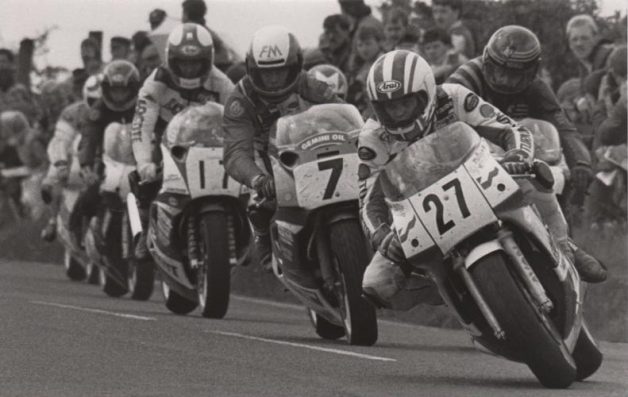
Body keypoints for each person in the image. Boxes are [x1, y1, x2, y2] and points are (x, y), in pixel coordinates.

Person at [358, 50, 606, 309]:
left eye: (405, 103)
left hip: (477, 178)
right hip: (418, 212)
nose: (398, 113)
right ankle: (447, 290)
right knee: (376, 284)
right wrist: (381, 235)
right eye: (389, 106)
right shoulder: (371, 138)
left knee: (534, 175)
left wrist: (517, 155)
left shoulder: (454, 97)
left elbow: (510, 128)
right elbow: (367, 201)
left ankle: (564, 247)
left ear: (426, 92)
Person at [446, 25, 603, 255]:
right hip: (473, 160)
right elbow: (443, 126)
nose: (506, 81)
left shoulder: (537, 87)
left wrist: (581, 163)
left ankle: (567, 249)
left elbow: (564, 127)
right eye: (500, 72)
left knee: (558, 184)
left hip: (520, 159)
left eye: (515, 75)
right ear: (487, 62)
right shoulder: (463, 80)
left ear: (531, 72)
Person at [222, 25, 343, 269]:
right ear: (253, 70)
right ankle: (264, 238)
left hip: (304, 142)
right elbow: (236, 151)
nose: (274, 79)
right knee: (261, 200)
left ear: (295, 67)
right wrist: (257, 179)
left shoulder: (308, 83)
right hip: (262, 150)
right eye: (266, 73)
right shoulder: (240, 99)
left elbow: (341, 111)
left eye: (281, 71)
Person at [131, 23, 234, 258]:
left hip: (209, 141)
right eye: (184, 62)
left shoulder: (222, 83)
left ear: (207, 60)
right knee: (144, 178)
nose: (189, 69)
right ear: (171, 60)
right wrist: (144, 162)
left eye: (196, 62)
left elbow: (242, 120)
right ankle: (145, 227)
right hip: (166, 141)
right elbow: (141, 126)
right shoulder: (155, 82)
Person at [69, 60, 140, 245]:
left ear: (132, 88)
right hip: (107, 160)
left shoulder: (144, 106)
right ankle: (76, 228)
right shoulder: (98, 109)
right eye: (115, 90)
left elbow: (158, 132)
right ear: (106, 89)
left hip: (140, 160)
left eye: (123, 90)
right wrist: (86, 167)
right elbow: (88, 139)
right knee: (91, 192)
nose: (119, 95)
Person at [40, 75, 102, 241]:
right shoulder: (72, 113)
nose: (102, 105)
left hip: (111, 158)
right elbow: (60, 141)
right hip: (79, 156)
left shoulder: (128, 109)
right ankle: (53, 220)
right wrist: (60, 164)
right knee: (51, 180)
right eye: (95, 100)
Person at [181, 0, 241, 72]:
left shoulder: (195, 33)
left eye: (183, 13)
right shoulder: (206, 31)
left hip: (217, 69)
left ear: (186, 14)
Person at [0, 48, 39, 124]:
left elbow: (35, 115)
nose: (0, 65)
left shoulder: (21, 91)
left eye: (3, 61)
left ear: (11, 65)